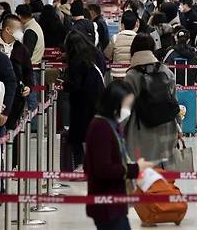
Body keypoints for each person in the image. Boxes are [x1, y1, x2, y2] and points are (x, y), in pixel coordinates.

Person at [85, 80, 152, 230]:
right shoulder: (101, 128)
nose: (128, 110)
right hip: (107, 204)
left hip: (114, 204)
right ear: (115, 103)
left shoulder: (112, 125)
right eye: (127, 105)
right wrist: (135, 169)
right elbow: (102, 169)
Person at [123, 34, 179, 163]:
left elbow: (126, 110)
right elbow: (173, 100)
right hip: (167, 129)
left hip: (140, 132)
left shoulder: (131, 76)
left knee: (143, 175)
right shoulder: (166, 71)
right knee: (163, 176)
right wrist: (178, 128)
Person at [63, 30, 106, 167]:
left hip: (81, 103)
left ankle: (80, 165)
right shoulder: (97, 54)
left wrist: (64, 83)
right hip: (99, 99)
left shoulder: (76, 60)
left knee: (77, 135)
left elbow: (74, 84)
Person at [0, 15, 34, 130]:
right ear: (8, 30)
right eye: (18, 29)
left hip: (15, 99)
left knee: (12, 132)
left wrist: (29, 86)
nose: (21, 32)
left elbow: (28, 71)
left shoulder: (21, 49)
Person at [104, 11, 139, 79]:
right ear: (135, 25)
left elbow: (107, 55)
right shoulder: (138, 38)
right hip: (132, 75)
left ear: (122, 25)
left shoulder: (115, 38)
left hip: (117, 74)